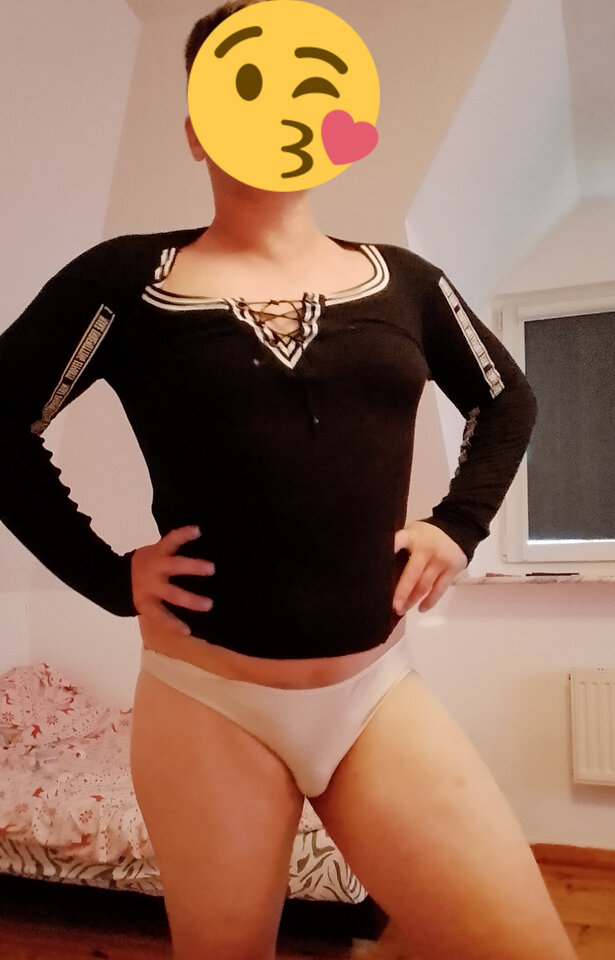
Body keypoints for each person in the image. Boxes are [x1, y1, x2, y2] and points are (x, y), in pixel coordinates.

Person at [0, 2, 578, 958]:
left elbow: (505, 399)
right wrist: (110, 576)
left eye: (307, 90)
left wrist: (457, 525)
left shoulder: (406, 282)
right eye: (245, 89)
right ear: (197, 128)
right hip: (206, 700)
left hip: (374, 694)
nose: (280, 112)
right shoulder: (124, 283)